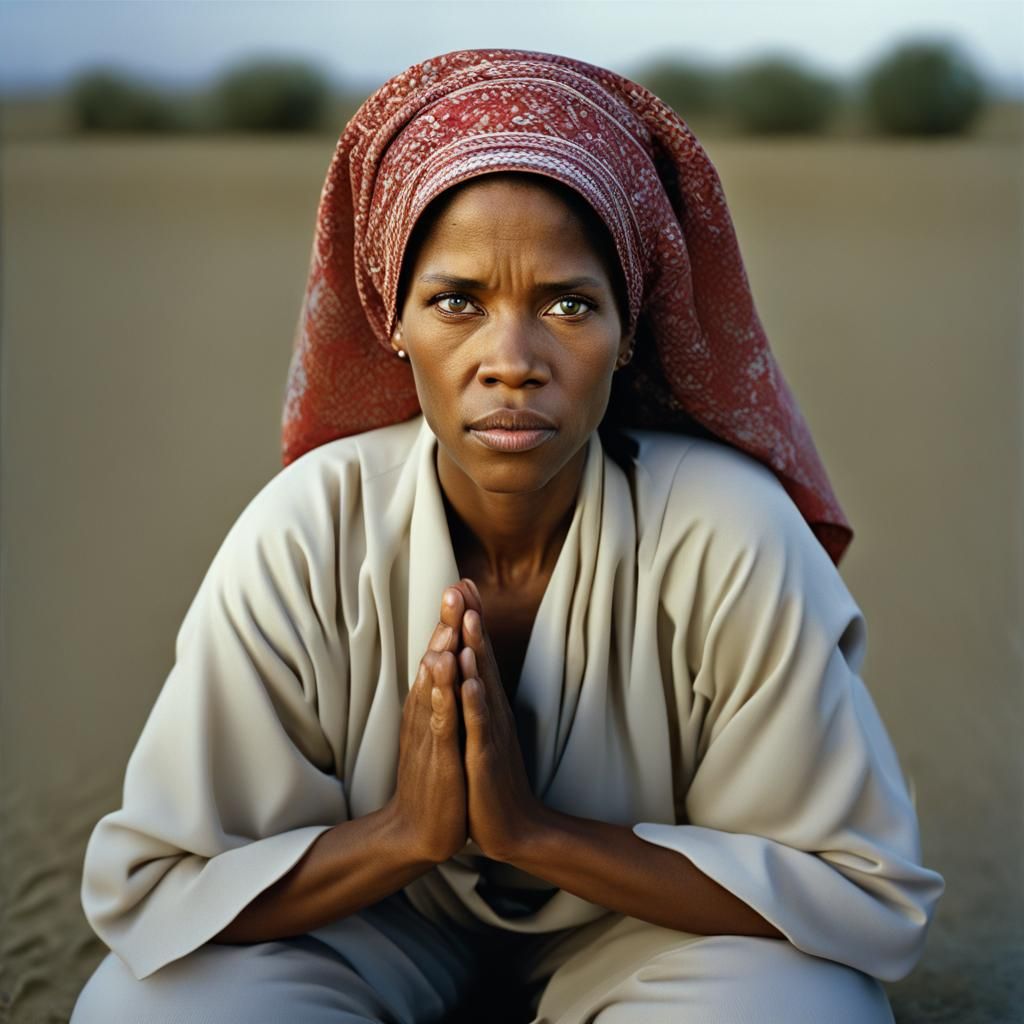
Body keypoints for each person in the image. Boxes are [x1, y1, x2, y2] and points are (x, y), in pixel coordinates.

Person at [71, 48, 944, 1023]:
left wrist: (536, 835)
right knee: (151, 1007)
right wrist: (403, 836)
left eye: (569, 304)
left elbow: (855, 889)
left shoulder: (729, 531)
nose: (512, 361)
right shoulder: (308, 529)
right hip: (365, 916)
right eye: (457, 303)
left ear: (627, 326)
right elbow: (160, 887)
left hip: (652, 929)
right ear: (391, 319)